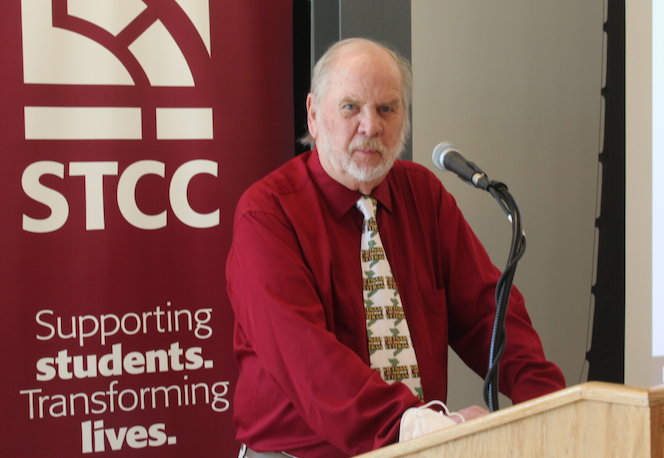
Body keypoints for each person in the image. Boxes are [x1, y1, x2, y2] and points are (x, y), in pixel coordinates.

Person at [226, 37, 565, 458]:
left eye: (387, 108)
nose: (371, 126)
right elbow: (309, 363)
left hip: (414, 446)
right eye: (351, 107)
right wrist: (421, 426)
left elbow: (487, 314)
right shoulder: (266, 215)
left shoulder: (423, 194)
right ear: (313, 115)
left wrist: (549, 405)